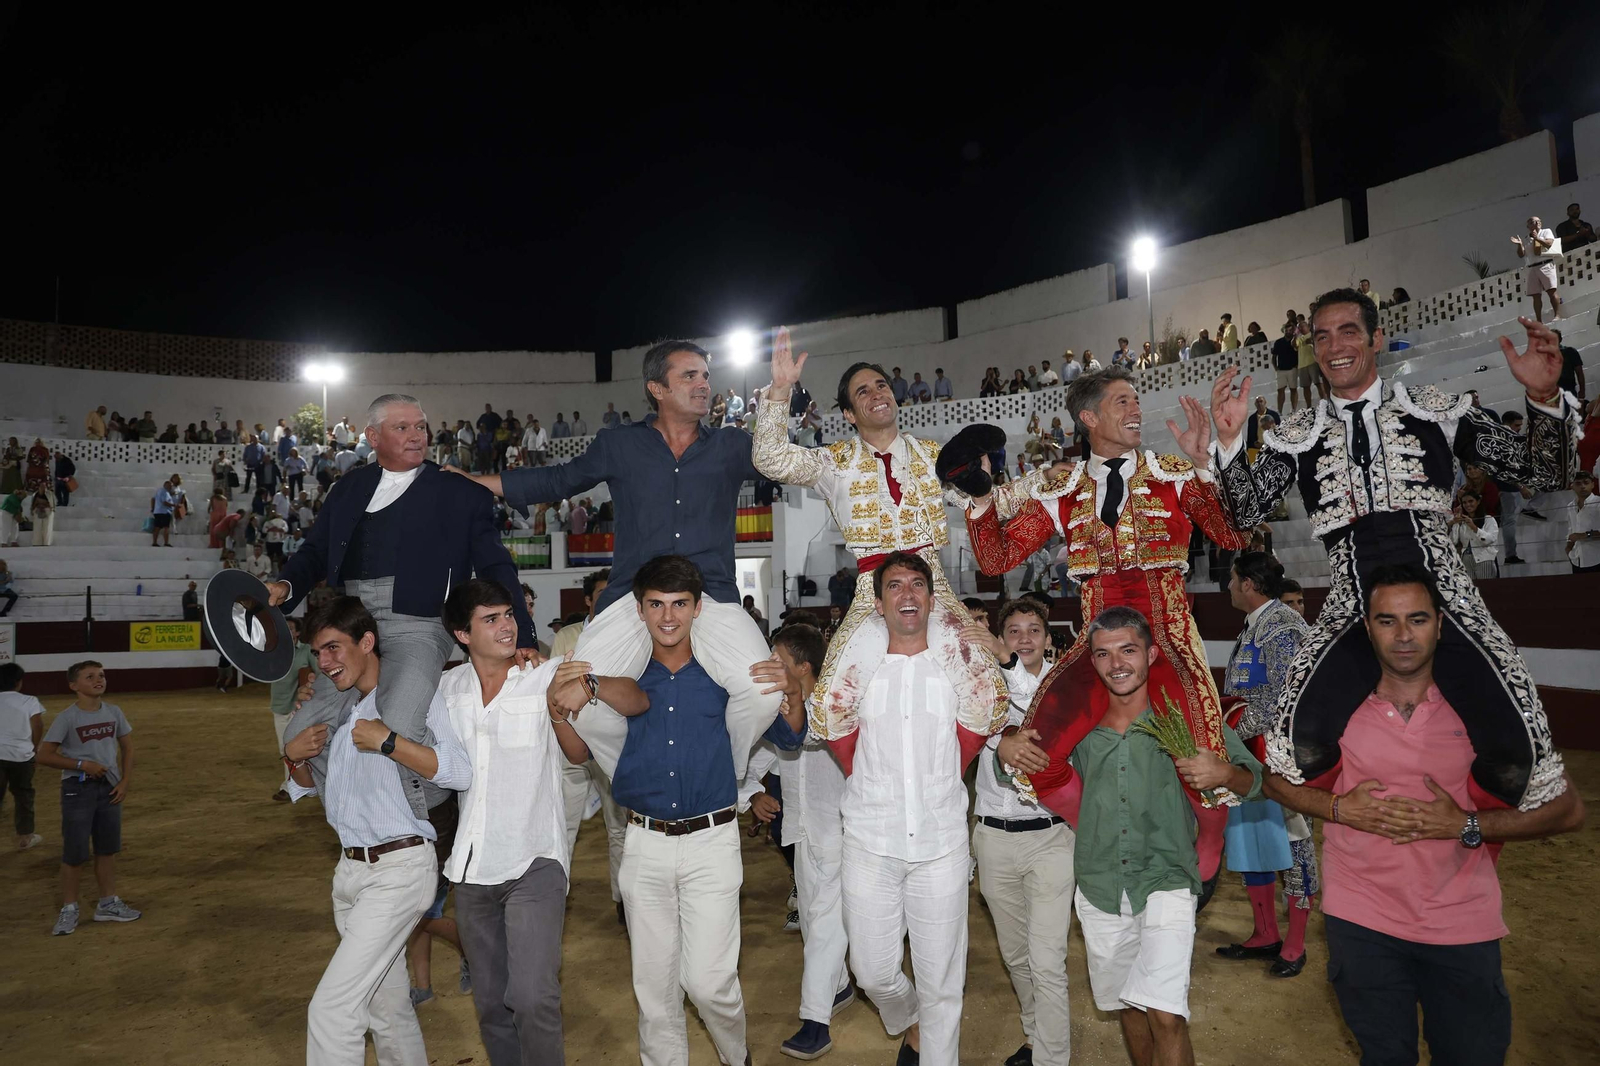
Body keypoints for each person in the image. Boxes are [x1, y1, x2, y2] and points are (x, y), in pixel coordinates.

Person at [1202, 286, 1577, 832]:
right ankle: (1365, 816)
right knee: (1295, 746)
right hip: (1351, 602)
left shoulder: (1437, 410)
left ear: (1377, 338)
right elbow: (1243, 513)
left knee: (1520, 755)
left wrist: (1544, 400)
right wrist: (1232, 442)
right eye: (1322, 336)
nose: (1334, 346)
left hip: (1443, 593)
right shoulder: (1295, 435)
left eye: (1348, 330)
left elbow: (1545, 474)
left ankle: (1456, 830)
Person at [1264, 566, 1585, 1066]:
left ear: (1440, 622)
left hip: (1461, 920)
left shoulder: (1486, 709)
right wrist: (1336, 807)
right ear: (1367, 627)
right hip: (1361, 917)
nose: (1403, 635)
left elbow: (1568, 810)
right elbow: (1272, 777)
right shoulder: (1333, 707)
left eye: (1416, 619)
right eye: (1387, 621)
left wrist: (1464, 825)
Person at [965, 366, 1252, 887]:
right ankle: (1096, 829)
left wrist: (1207, 461)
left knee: (1202, 757)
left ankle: (1208, 844)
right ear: (1089, 417)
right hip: (1095, 643)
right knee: (1034, 753)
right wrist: (981, 498)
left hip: (1165, 637)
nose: (1136, 409)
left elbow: (1231, 535)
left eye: (1136, 400)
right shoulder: (1065, 489)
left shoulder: (1174, 471)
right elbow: (995, 557)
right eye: (1123, 402)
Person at [451, 343, 782, 784]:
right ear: (656, 388)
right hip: (631, 594)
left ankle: (728, 775)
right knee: (578, 702)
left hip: (710, 595)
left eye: (705, 375)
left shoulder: (732, 445)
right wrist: (475, 483)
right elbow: (557, 479)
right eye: (689, 376)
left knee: (762, 694)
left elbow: (783, 461)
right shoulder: (620, 444)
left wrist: (779, 394)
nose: (704, 384)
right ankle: (641, 776)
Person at [268, 393, 538, 841]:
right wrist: (284, 586)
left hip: (419, 623)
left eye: (421, 427)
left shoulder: (460, 491)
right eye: (403, 428)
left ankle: (429, 834)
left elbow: (496, 565)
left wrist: (523, 633)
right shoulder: (348, 488)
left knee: (396, 727)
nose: (417, 436)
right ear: (372, 437)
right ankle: (360, 824)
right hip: (352, 625)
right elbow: (314, 553)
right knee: (300, 730)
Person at [1005, 607, 1259, 1066]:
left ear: (1151, 654)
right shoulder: (1077, 732)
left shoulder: (1186, 720)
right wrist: (1007, 740)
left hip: (1167, 880)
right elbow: (1024, 767)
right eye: (1103, 654)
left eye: (1128, 650)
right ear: (1091, 662)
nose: (1117, 663)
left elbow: (1254, 779)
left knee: (1166, 1014)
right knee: (1128, 1005)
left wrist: (1225, 772)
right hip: (1100, 885)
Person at [755, 328, 1010, 757]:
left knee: (989, 700)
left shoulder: (934, 455)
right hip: (871, 593)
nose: (876, 393)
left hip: (934, 590)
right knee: (829, 711)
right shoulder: (833, 462)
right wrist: (780, 391)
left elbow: (990, 505)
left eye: (881, 385)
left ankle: (941, 782)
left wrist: (985, 484)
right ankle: (871, 788)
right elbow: (770, 458)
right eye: (862, 391)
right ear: (850, 414)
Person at [439, 579, 638, 1065]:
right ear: (463, 635)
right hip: (470, 868)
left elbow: (580, 751)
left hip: (535, 860)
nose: (507, 625)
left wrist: (560, 711)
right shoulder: (446, 688)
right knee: (490, 1003)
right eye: (491, 619)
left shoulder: (546, 674)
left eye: (508, 614)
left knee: (532, 997)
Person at [281, 596, 471, 1066]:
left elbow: (459, 772)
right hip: (349, 872)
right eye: (317, 653)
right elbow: (305, 789)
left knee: (332, 1009)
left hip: (400, 869)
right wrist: (295, 757)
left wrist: (389, 741)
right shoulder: (336, 708)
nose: (325, 662)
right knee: (386, 1009)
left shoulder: (415, 700)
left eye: (334, 648)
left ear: (367, 642)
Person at [835, 553, 991, 1066]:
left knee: (943, 983)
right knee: (872, 970)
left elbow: (970, 742)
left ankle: (935, 1046)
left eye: (917, 584)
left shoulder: (956, 669)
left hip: (940, 845)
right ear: (878, 603)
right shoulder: (859, 671)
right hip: (870, 842)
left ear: (931, 597)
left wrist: (938, 789)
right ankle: (910, 1021)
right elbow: (842, 743)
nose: (907, 594)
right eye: (895, 586)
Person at [610, 556, 762, 1066]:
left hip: (712, 840)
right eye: (656, 604)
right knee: (653, 991)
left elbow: (783, 731)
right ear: (640, 609)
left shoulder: (726, 674)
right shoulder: (624, 679)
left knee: (710, 983)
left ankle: (734, 1058)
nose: (668, 616)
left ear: (699, 608)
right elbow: (585, 747)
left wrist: (787, 688)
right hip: (644, 841)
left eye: (679, 604)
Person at [963, 599, 1075, 1066]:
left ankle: (1052, 1058)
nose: (1024, 638)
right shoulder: (978, 683)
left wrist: (1007, 662)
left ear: (1049, 640)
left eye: (1034, 630)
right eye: (1013, 631)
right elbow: (971, 728)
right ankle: (1035, 1037)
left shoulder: (1064, 683)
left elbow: (1040, 716)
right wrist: (998, 741)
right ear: (1000, 635)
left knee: (1047, 961)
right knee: (1015, 956)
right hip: (993, 836)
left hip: (1050, 837)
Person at [1216, 552, 1316, 978]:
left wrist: (1229, 728)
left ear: (1249, 585)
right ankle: (1265, 933)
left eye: (1233, 580)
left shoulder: (1281, 627)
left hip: (1279, 755)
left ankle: (1295, 944)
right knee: (1254, 836)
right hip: (1250, 751)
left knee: (1293, 839)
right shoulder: (1259, 624)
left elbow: (1283, 700)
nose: (1229, 587)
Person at [761, 623, 858, 1060]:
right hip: (800, 833)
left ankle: (815, 1020)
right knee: (816, 922)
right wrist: (752, 794)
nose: (769, 667)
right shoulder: (780, 709)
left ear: (803, 666)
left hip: (841, 833)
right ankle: (837, 986)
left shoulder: (837, 707)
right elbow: (757, 750)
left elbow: (813, 736)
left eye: (777, 660)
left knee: (823, 925)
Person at [550, 568, 631, 925]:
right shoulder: (568, 636)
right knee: (564, 824)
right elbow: (555, 685)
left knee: (620, 826)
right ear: (588, 599)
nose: (607, 599)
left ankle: (623, 901)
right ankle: (555, 898)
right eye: (600, 594)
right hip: (572, 740)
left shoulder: (629, 635)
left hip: (612, 743)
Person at [37, 661, 141, 935]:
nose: (99, 680)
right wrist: (83, 766)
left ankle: (107, 903)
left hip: (109, 788)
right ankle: (69, 909)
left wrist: (124, 782)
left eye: (102, 675)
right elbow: (44, 755)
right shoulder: (67, 718)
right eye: (90, 677)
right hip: (77, 789)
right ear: (74, 685)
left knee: (107, 849)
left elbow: (128, 748)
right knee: (75, 852)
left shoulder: (114, 712)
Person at [268, 617, 316, 801]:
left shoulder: (306, 651)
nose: (286, 631)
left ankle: (290, 788)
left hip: (303, 707)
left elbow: (320, 673)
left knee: (305, 748)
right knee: (285, 750)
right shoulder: (273, 651)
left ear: (297, 633)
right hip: (281, 706)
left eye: (290, 628)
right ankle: (298, 785)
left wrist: (311, 681)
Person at [0, 662, 45, 850]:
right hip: (21, 755)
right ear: (19, 682)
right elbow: (38, 725)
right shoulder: (30, 701)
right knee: (23, 794)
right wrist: (34, 749)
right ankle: (25, 836)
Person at [1513, 214, 1563, 322]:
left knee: (1551, 291)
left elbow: (1549, 244)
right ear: (1528, 226)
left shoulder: (1546, 232)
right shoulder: (1527, 238)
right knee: (1536, 295)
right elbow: (1522, 254)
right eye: (1532, 222)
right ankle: (1539, 320)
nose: (1535, 223)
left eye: (1538, 221)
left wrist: (1537, 238)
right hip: (1532, 267)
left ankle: (1557, 315)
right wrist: (1519, 244)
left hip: (1545, 264)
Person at [1448, 489, 1500, 581]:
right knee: (1471, 591)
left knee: (1486, 589)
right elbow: (1454, 540)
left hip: (1484, 559)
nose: (1468, 505)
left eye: (1471, 501)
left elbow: (1489, 540)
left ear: (1478, 501)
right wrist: (1453, 523)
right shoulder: (1462, 522)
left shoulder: (1488, 519)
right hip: (1466, 560)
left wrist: (1474, 527)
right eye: (1464, 502)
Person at [1568, 471, 1600, 572]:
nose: (1582, 486)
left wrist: (1584, 535)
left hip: (1596, 558)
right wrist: (1568, 550)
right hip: (1576, 559)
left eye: (1586, 482)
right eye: (1578, 483)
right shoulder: (1570, 506)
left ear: (1592, 485)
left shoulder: (1598, 503)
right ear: (1572, 486)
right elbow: (1571, 529)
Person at [1553, 328, 1587, 403]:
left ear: (1560, 339)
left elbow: (1579, 372)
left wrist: (1582, 390)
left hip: (1568, 389)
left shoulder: (1570, 352)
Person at [150, 479, 176, 547]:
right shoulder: (165, 492)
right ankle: (166, 542)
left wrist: (153, 508)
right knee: (166, 527)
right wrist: (174, 505)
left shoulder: (159, 491)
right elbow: (165, 502)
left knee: (157, 527)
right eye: (170, 486)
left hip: (157, 511)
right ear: (166, 485)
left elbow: (153, 499)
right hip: (164, 512)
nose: (171, 487)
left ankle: (154, 542)